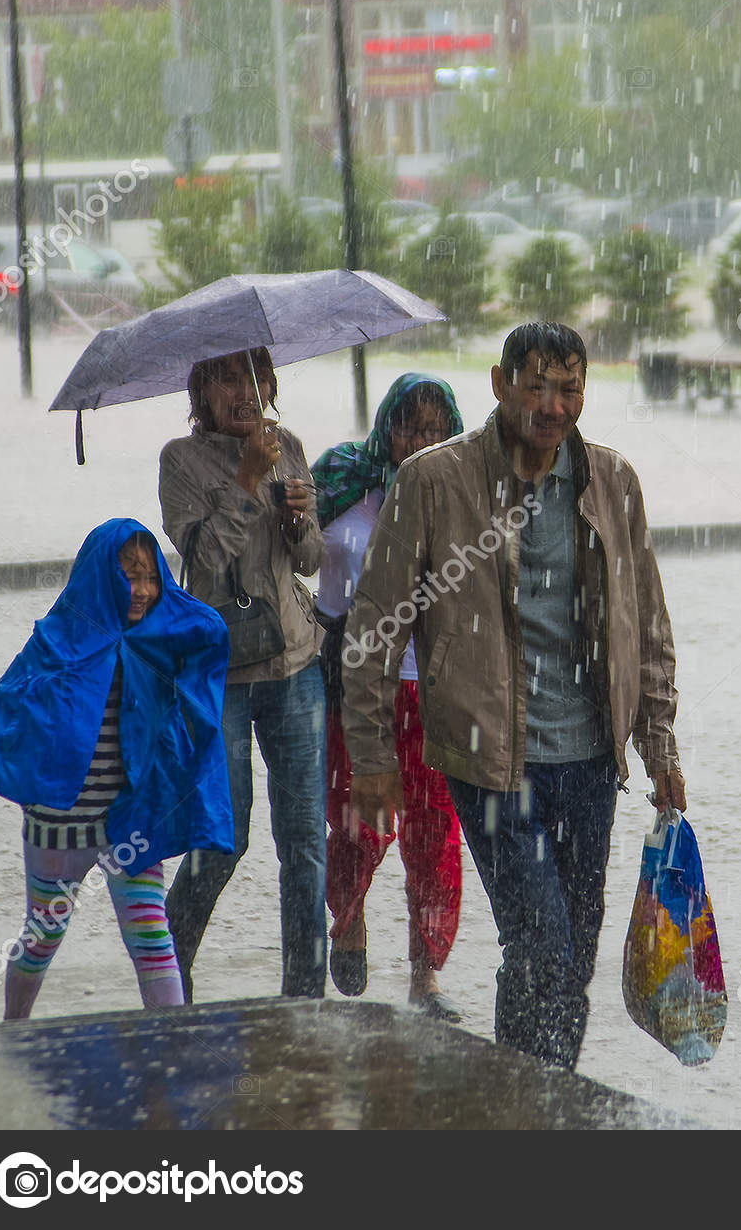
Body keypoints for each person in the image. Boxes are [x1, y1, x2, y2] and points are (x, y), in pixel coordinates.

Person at [343, 322, 687, 1069]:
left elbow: (647, 620)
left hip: (592, 758)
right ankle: (530, 1103)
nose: (554, 405)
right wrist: (371, 755)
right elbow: (373, 629)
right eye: (537, 385)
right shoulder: (434, 483)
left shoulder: (612, 482)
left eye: (569, 388)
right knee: (538, 939)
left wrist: (657, 744)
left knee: (572, 950)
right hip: (488, 756)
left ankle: (539, 1090)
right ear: (499, 386)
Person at [0, 520, 233, 1019]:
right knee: (42, 938)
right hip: (59, 827)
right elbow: (7, 703)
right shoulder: (59, 638)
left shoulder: (160, 642)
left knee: (154, 940)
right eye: (128, 574)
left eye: (151, 576)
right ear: (99, 574)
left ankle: (170, 1044)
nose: (140, 590)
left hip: (131, 822)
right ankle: (13, 1029)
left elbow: (208, 647)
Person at [158, 347, 327, 1001]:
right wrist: (249, 484)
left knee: (306, 842)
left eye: (255, 377)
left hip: (295, 666)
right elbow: (202, 562)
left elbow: (310, 559)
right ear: (200, 390)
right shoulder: (182, 459)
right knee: (223, 838)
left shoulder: (290, 445)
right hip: (220, 677)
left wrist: (297, 518)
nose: (244, 391)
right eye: (226, 378)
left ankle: (305, 996)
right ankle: (168, 975)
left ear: (272, 384)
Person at [313, 372, 467, 1021]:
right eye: (410, 425)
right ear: (386, 427)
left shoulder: (461, 495)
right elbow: (289, 559)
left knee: (436, 834)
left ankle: (426, 970)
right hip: (357, 686)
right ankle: (346, 921)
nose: (422, 440)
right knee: (357, 819)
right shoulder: (341, 481)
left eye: (437, 429)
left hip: (433, 688)